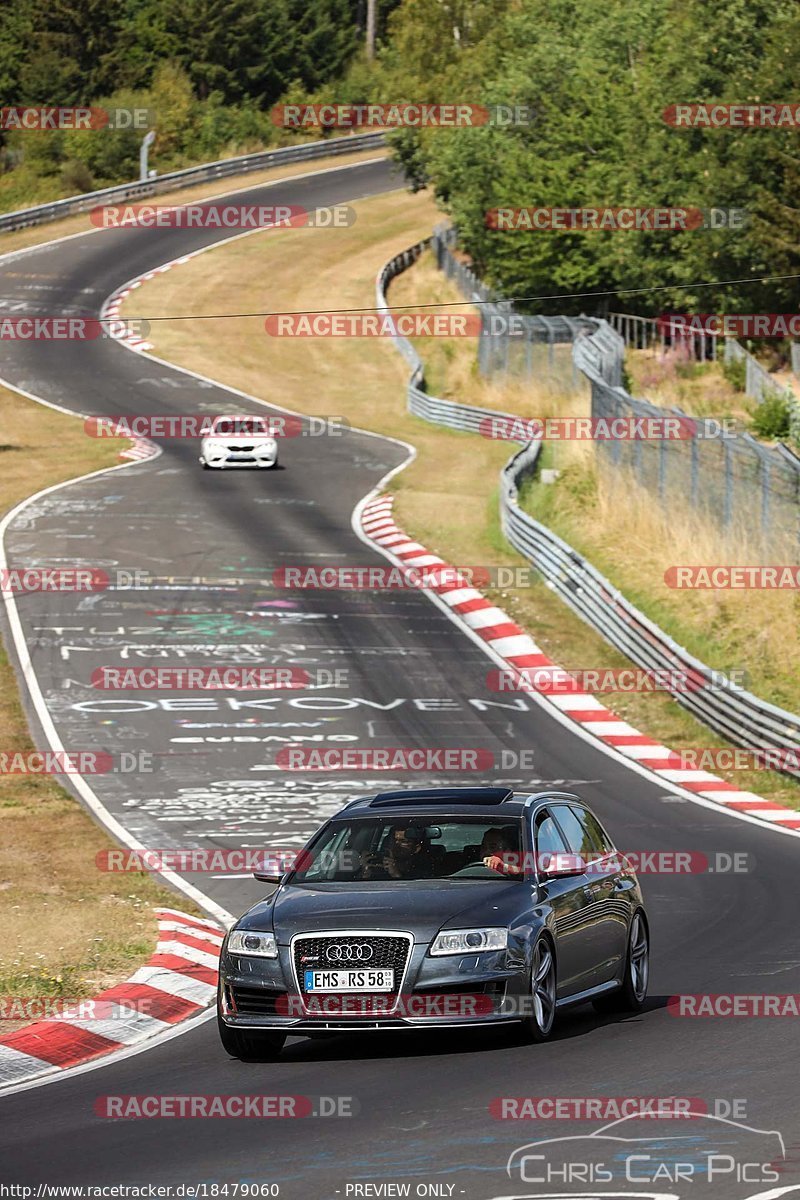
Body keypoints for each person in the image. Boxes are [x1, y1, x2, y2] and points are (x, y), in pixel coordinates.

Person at [360, 825, 438, 880]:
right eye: (393, 840)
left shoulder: (425, 871)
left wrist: (396, 874)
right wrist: (365, 873)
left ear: (416, 848)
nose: (396, 845)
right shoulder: (377, 865)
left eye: (403, 841)